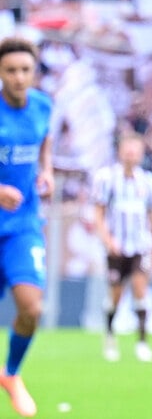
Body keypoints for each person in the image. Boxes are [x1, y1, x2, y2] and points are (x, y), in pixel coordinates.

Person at [0, 37, 53, 418]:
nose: (19, 77)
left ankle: (11, 374)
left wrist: (46, 171)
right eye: (11, 71)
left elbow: (44, 141)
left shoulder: (43, 107)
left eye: (25, 70)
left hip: (23, 226)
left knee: (31, 308)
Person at [92, 132, 152, 363]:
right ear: (120, 151)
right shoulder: (107, 179)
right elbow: (98, 212)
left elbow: (151, 214)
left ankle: (142, 342)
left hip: (139, 245)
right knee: (116, 295)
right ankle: (110, 336)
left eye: (136, 149)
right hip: (116, 247)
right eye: (128, 148)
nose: (131, 153)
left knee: (141, 291)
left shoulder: (147, 181)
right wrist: (107, 240)